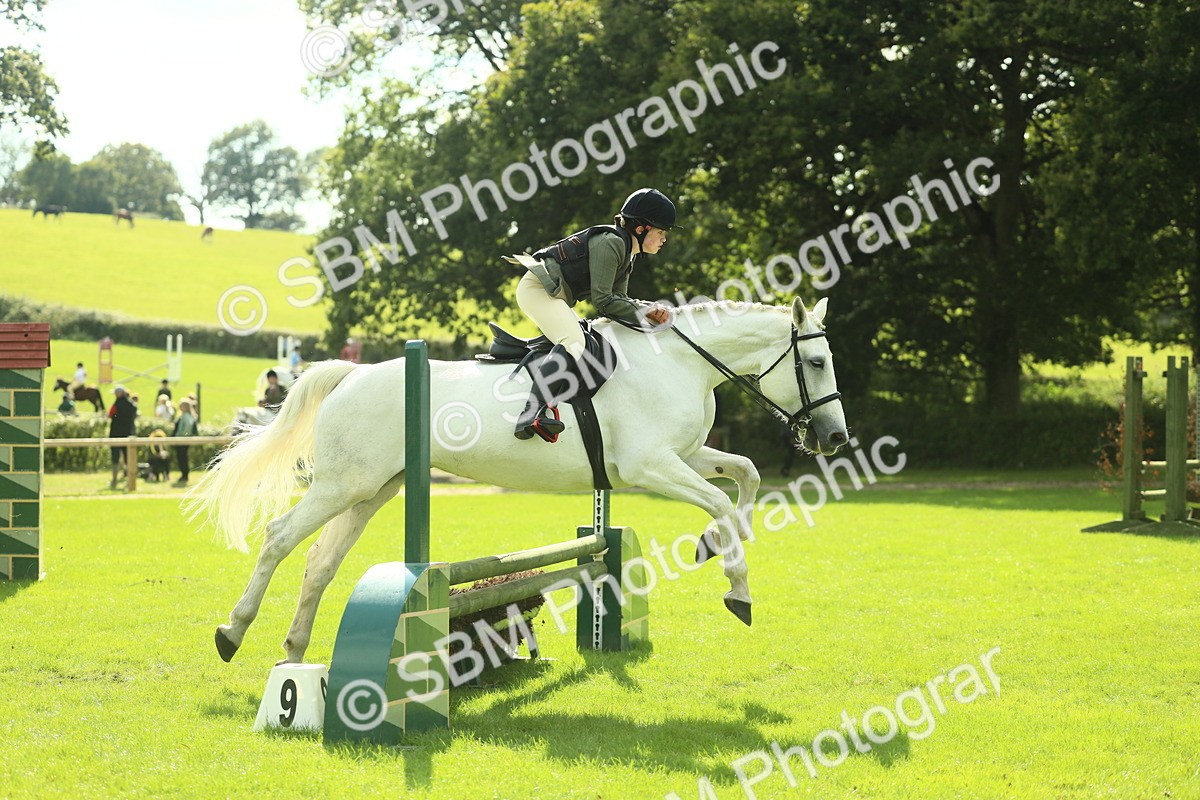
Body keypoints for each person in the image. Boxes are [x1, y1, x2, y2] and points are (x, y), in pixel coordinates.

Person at [503, 187, 679, 441]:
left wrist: (649, 310)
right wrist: (646, 310)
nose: (664, 239)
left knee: (599, 350)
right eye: (661, 232)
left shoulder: (627, 253)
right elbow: (604, 301)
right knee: (574, 341)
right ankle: (530, 415)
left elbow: (620, 300)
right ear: (641, 229)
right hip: (537, 290)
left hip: (556, 297)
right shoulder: (612, 243)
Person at [107, 385, 137, 489]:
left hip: (115, 434)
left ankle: (114, 479)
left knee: (115, 458)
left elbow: (110, 414)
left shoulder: (116, 404)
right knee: (128, 459)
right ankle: (129, 480)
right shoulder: (132, 405)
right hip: (128, 434)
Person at [172, 399, 198, 485]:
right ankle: (184, 474)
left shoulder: (186, 417)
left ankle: (184, 475)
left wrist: (180, 436)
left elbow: (186, 430)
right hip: (182, 439)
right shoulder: (186, 416)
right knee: (182, 458)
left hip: (182, 440)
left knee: (182, 458)